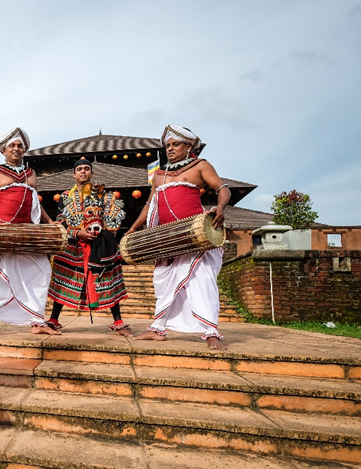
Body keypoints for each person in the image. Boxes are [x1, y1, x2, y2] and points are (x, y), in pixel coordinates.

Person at [127, 125, 230, 350]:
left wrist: (220, 208)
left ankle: (211, 332)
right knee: (164, 284)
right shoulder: (159, 175)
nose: (170, 149)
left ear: (188, 146)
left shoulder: (200, 166)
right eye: (167, 146)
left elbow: (223, 189)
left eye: (176, 144)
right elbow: (149, 204)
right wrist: (133, 228)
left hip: (194, 235)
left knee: (201, 281)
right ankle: (158, 329)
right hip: (167, 238)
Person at [0, 127, 59, 337]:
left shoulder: (31, 174)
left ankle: (37, 321)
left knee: (42, 270)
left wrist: (50, 222)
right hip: (1, 232)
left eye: (20, 146)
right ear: (4, 150)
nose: (16, 149)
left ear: (24, 149)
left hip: (27, 233)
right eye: (12, 146)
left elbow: (36, 204)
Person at [46, 157, 130, 335]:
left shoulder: (103, 195)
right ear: (73, 174)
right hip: (74, 245)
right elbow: (60, 221)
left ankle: (118, 320)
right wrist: (77, 233)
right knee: (65, 279)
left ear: (92, 172)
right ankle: (53, 319)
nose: (83, 171)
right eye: (79, 169)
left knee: (107, 279)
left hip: (99, 245)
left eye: (86, 168)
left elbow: (111, 220)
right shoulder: (66, 197)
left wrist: (105, 232)